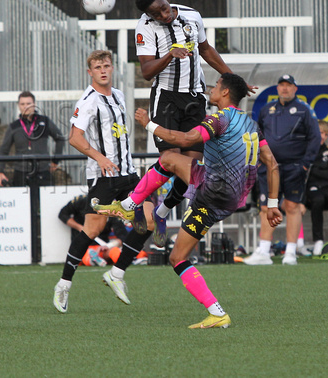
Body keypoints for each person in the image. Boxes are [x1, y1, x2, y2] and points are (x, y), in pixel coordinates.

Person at [96, 73, 282, 329]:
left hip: (212, 191)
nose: (213, 88)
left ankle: (130, 205)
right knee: (171, 166)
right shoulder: (250, 124)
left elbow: (184, 140)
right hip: (228, 198)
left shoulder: (220, 118)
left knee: (170, 162)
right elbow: (271, 163)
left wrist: (149, 124)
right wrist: (272, 205)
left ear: (226, 93)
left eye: (217, 85)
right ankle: (139, 209)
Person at [53, 50, 154, 313]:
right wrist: (100, 158)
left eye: (106, 65)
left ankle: (116, 273)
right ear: (90, 72)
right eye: (97, 67)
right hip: (104, 178)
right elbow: (74, 137)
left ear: (112, 68)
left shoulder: (119, 95)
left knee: (150, 221)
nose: (103, 70)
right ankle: (63, 284)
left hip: (129, 174)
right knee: (92, 231)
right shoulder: (88, 101)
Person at [133, 0, 235, 243]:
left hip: (195, 97)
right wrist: (170, 54)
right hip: (166, 97)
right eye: (156, 14)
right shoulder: (144, 28)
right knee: (171, 158)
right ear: (149, 14)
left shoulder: (192, 15)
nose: (164, 15)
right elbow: (146, 71)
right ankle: (134, 200)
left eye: (164, 9)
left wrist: (231, 77)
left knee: (191, 166)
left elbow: (207, 50)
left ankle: (162, 211)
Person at [244, 74, 321, 266]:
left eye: (288, 85)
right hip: (269, 168)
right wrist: (258, 160)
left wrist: (305, 164)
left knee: (293, 207)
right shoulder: (266, 110)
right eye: (281, 85)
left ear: (295, 88)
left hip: (294, 167)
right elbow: (256, 135)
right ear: (277, 88)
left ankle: (291, 252)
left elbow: (314, 138)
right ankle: (263, 250)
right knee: (266, 207)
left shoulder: (304, 111)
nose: (284, 89)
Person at [0, 90, 65, 187]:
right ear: (18, 106)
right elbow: (3, 150)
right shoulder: (14, 126)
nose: (25, 106)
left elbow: (60, 138)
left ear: (34, 104)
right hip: (21, 172)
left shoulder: (44, 121)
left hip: (43, 171)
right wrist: (0, 171)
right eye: (22, 104)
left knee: (45, 201)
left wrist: (56, 160)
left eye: (29, 103)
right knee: (22, 202)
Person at [58, 194, 129, 265]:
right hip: (83, 246)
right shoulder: (82, 201)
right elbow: (63, 214)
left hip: (102, 247)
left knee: (115, 251)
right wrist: (79, 227)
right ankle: (93, 260)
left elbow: (123, 236)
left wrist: (108, 246)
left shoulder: (111, 209)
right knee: (82, 254)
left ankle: (128, 260)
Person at [304, 120, 328, 256]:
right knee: (318, 201)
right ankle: (318, 241)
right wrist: (321, 171)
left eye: (325, 134)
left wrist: (315, 169)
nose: (322, 136)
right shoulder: (306, 151)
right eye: (320, 133)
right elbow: (307, 173)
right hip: (312, 189)